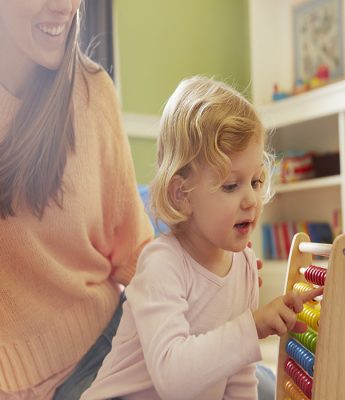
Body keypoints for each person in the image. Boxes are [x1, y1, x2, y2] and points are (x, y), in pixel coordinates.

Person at [81, 76, 323, 400]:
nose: (251, 199)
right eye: (230, 186)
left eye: (255, 181)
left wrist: (249, 334)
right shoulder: (161, 265)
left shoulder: (244, 265)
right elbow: (173, 378)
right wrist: (252, 328)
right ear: (182, 195)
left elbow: (238, 374)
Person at [0, 1, 154, 399]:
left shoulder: (92, 91)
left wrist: (203, 284)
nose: (65, 6)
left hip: (112, 338)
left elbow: (134, 248)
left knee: (252, 383)